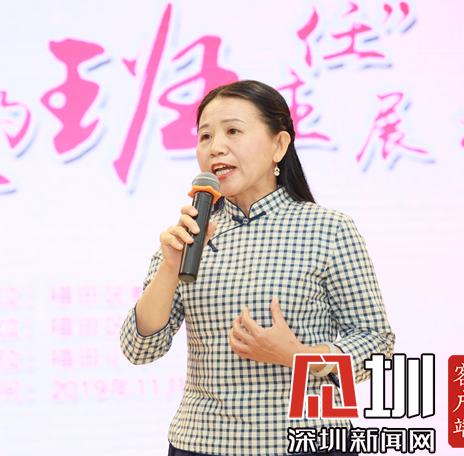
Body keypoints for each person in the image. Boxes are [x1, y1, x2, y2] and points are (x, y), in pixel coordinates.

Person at [120, 80, 395, 456]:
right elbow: (139, 349)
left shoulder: (329, 229)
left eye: (233, 131)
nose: (215, 147)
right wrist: (169, 268)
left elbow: (376, 345)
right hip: (201, 444)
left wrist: (298, 356)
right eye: (205, 136)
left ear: (278, 145)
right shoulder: (189, 236)